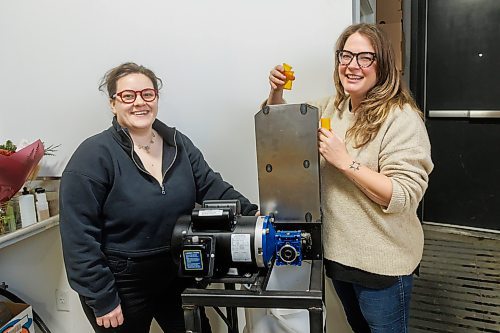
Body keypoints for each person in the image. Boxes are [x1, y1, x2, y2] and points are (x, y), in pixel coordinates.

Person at [59, 62, 258, 333]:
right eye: (128, 96)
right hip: (122, 281)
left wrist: (254, 215)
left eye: (147, 94)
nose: (139, 102)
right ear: (112, 103)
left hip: (177, 270)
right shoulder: (93, 155)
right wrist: (101, 297)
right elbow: (78, 236)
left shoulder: (179, 144)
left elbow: (212, 187)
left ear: (156, 98)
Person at [265, 23, 433, 332]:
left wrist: (345, 162)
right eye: (346, 55)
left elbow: (403, 195)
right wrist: (276, 92)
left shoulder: (401, 119)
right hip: (339, 257)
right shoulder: (334, 106)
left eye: (365, 57)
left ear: (382, 65)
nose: (352, 65)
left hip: (382, 264)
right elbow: (282, 125)